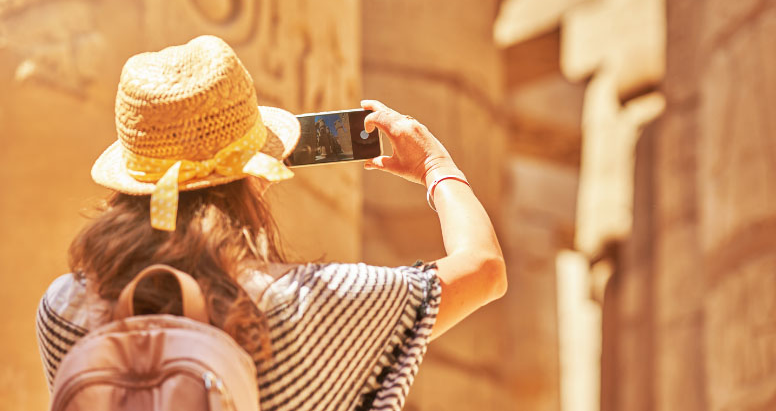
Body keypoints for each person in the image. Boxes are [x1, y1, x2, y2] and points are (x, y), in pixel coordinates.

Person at [35, 35, 506, 411]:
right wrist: (434, 167)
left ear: (131, 181)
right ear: (254, 176)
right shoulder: (315, 303)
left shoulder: (64, 309)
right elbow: (485, 268)